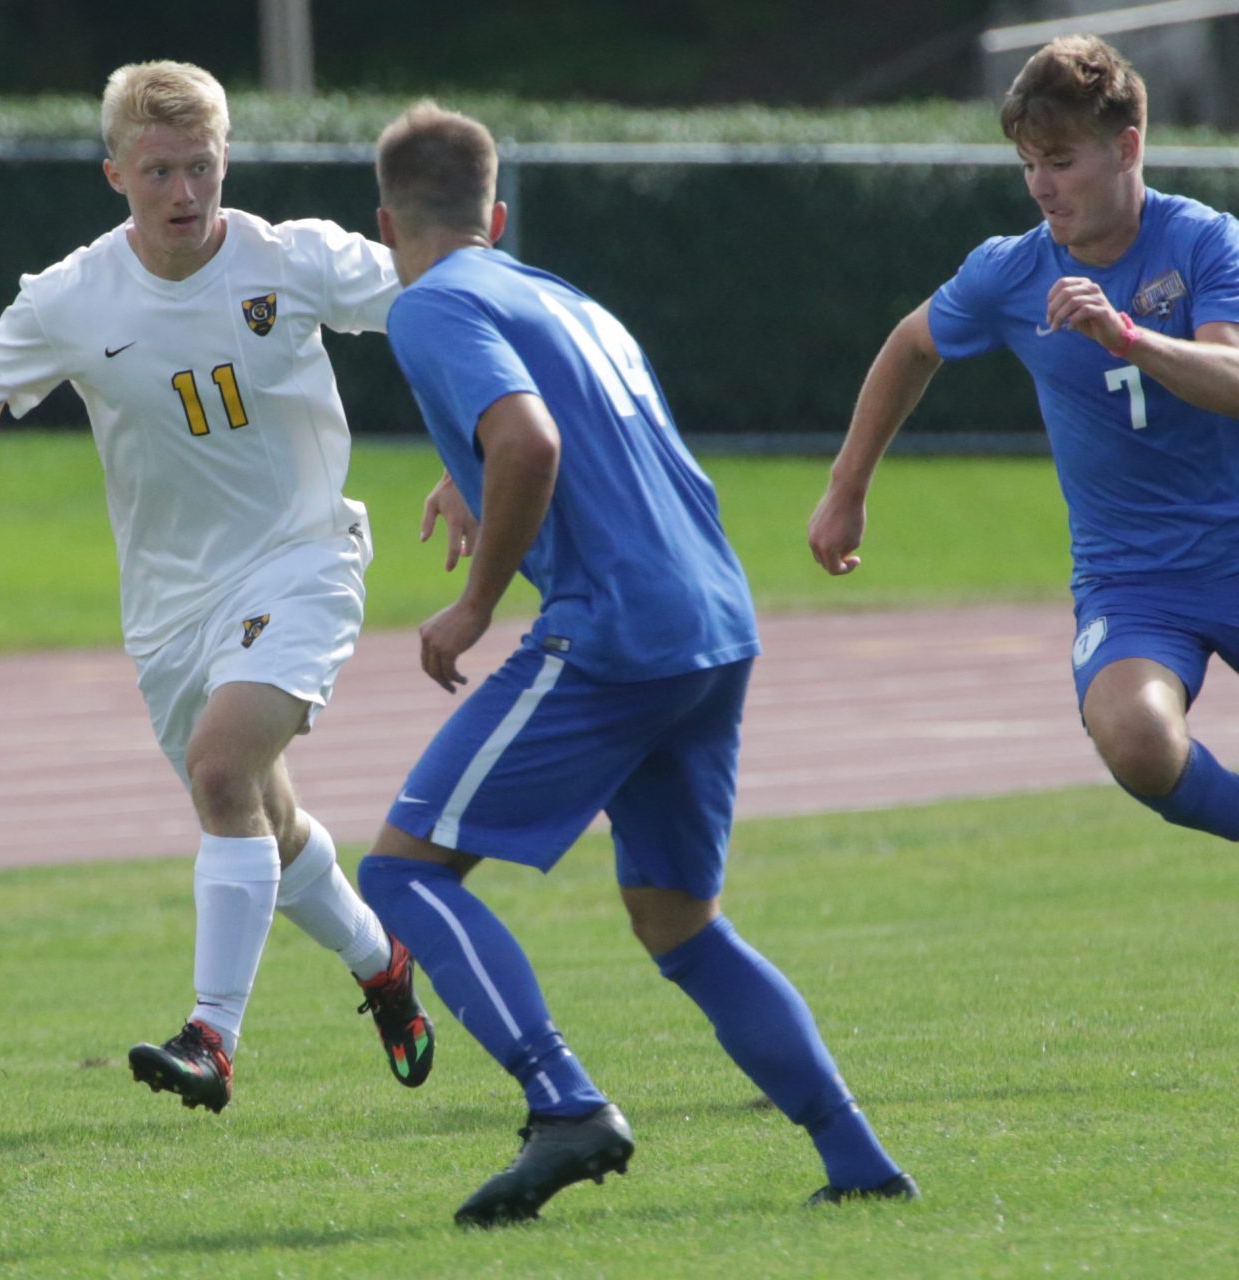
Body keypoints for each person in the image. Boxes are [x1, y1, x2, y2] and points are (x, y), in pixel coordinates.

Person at [807, 35, 1239, 1074]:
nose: (1043, 187)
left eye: (1063, 161)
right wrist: (847, 487)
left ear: (1128, 146)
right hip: (1132, 578)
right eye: (1028, 165)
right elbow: (910, 344)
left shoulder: (1202, 241)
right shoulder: (1009, 271)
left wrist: (1127, 336)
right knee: (1131, 736)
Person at [358, 101, 916, 1228]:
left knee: (400, 875)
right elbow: (587, 440)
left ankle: (564, 1100)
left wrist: (472, 604)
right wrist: (471, 479)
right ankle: (856, 1154)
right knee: (676, 918)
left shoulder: (427, 302)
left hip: (614, 628)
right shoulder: (563, 296)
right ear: (497, 215)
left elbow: (531, 440)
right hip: (712, 619)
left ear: (383, 224)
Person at [0, 60, 435, 1115]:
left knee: (219, 765)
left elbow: (445, 300)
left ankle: (212, 1035)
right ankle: (385, 966)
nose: (185, 193)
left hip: (303, 560)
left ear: (225, 159)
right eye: (159, 172)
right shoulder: (70, 297)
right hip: (168, 613)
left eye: (201, 166)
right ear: (116, 174)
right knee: (261, 820)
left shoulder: (292, 260)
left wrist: (476, 455)